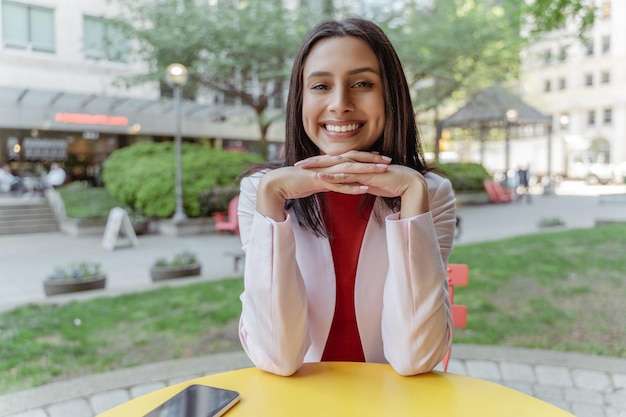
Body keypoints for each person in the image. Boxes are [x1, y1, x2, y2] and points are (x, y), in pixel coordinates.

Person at [237, 17, 457, 377]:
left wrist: (412, 194)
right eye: (321, 85)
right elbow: (275, 356)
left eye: (362, 83)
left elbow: (416, 357)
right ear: (300, 99)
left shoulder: (431, 193)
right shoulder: (262, 192)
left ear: (390, 95)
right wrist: (272, 199)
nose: (340, 104)